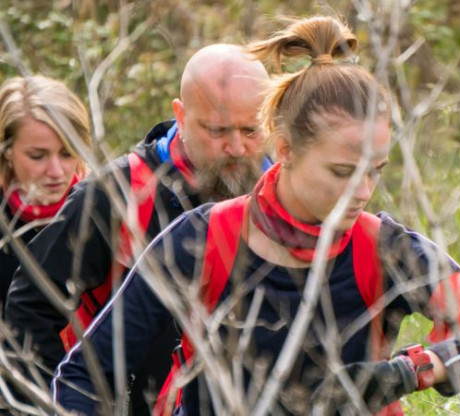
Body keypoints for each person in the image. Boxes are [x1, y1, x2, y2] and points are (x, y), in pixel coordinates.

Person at [52, 17, 460, 415]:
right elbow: (84, 376)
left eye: (376, 171)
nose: (363, 192)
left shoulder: (384, 248)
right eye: (342, 172)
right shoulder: (202, 239)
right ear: (283, 149)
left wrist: (407, 371)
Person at [5, 44, 270, 413]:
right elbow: (29, 312)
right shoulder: (116, 194)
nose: (237, 147)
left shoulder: (287, 194)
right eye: (218, 130)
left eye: (251, 129)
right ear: (181, 116)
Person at [0, 75, 91, 309]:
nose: (56, 171)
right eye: (37, 156)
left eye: (68, 153)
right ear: (7, 151)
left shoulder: (99, 206)